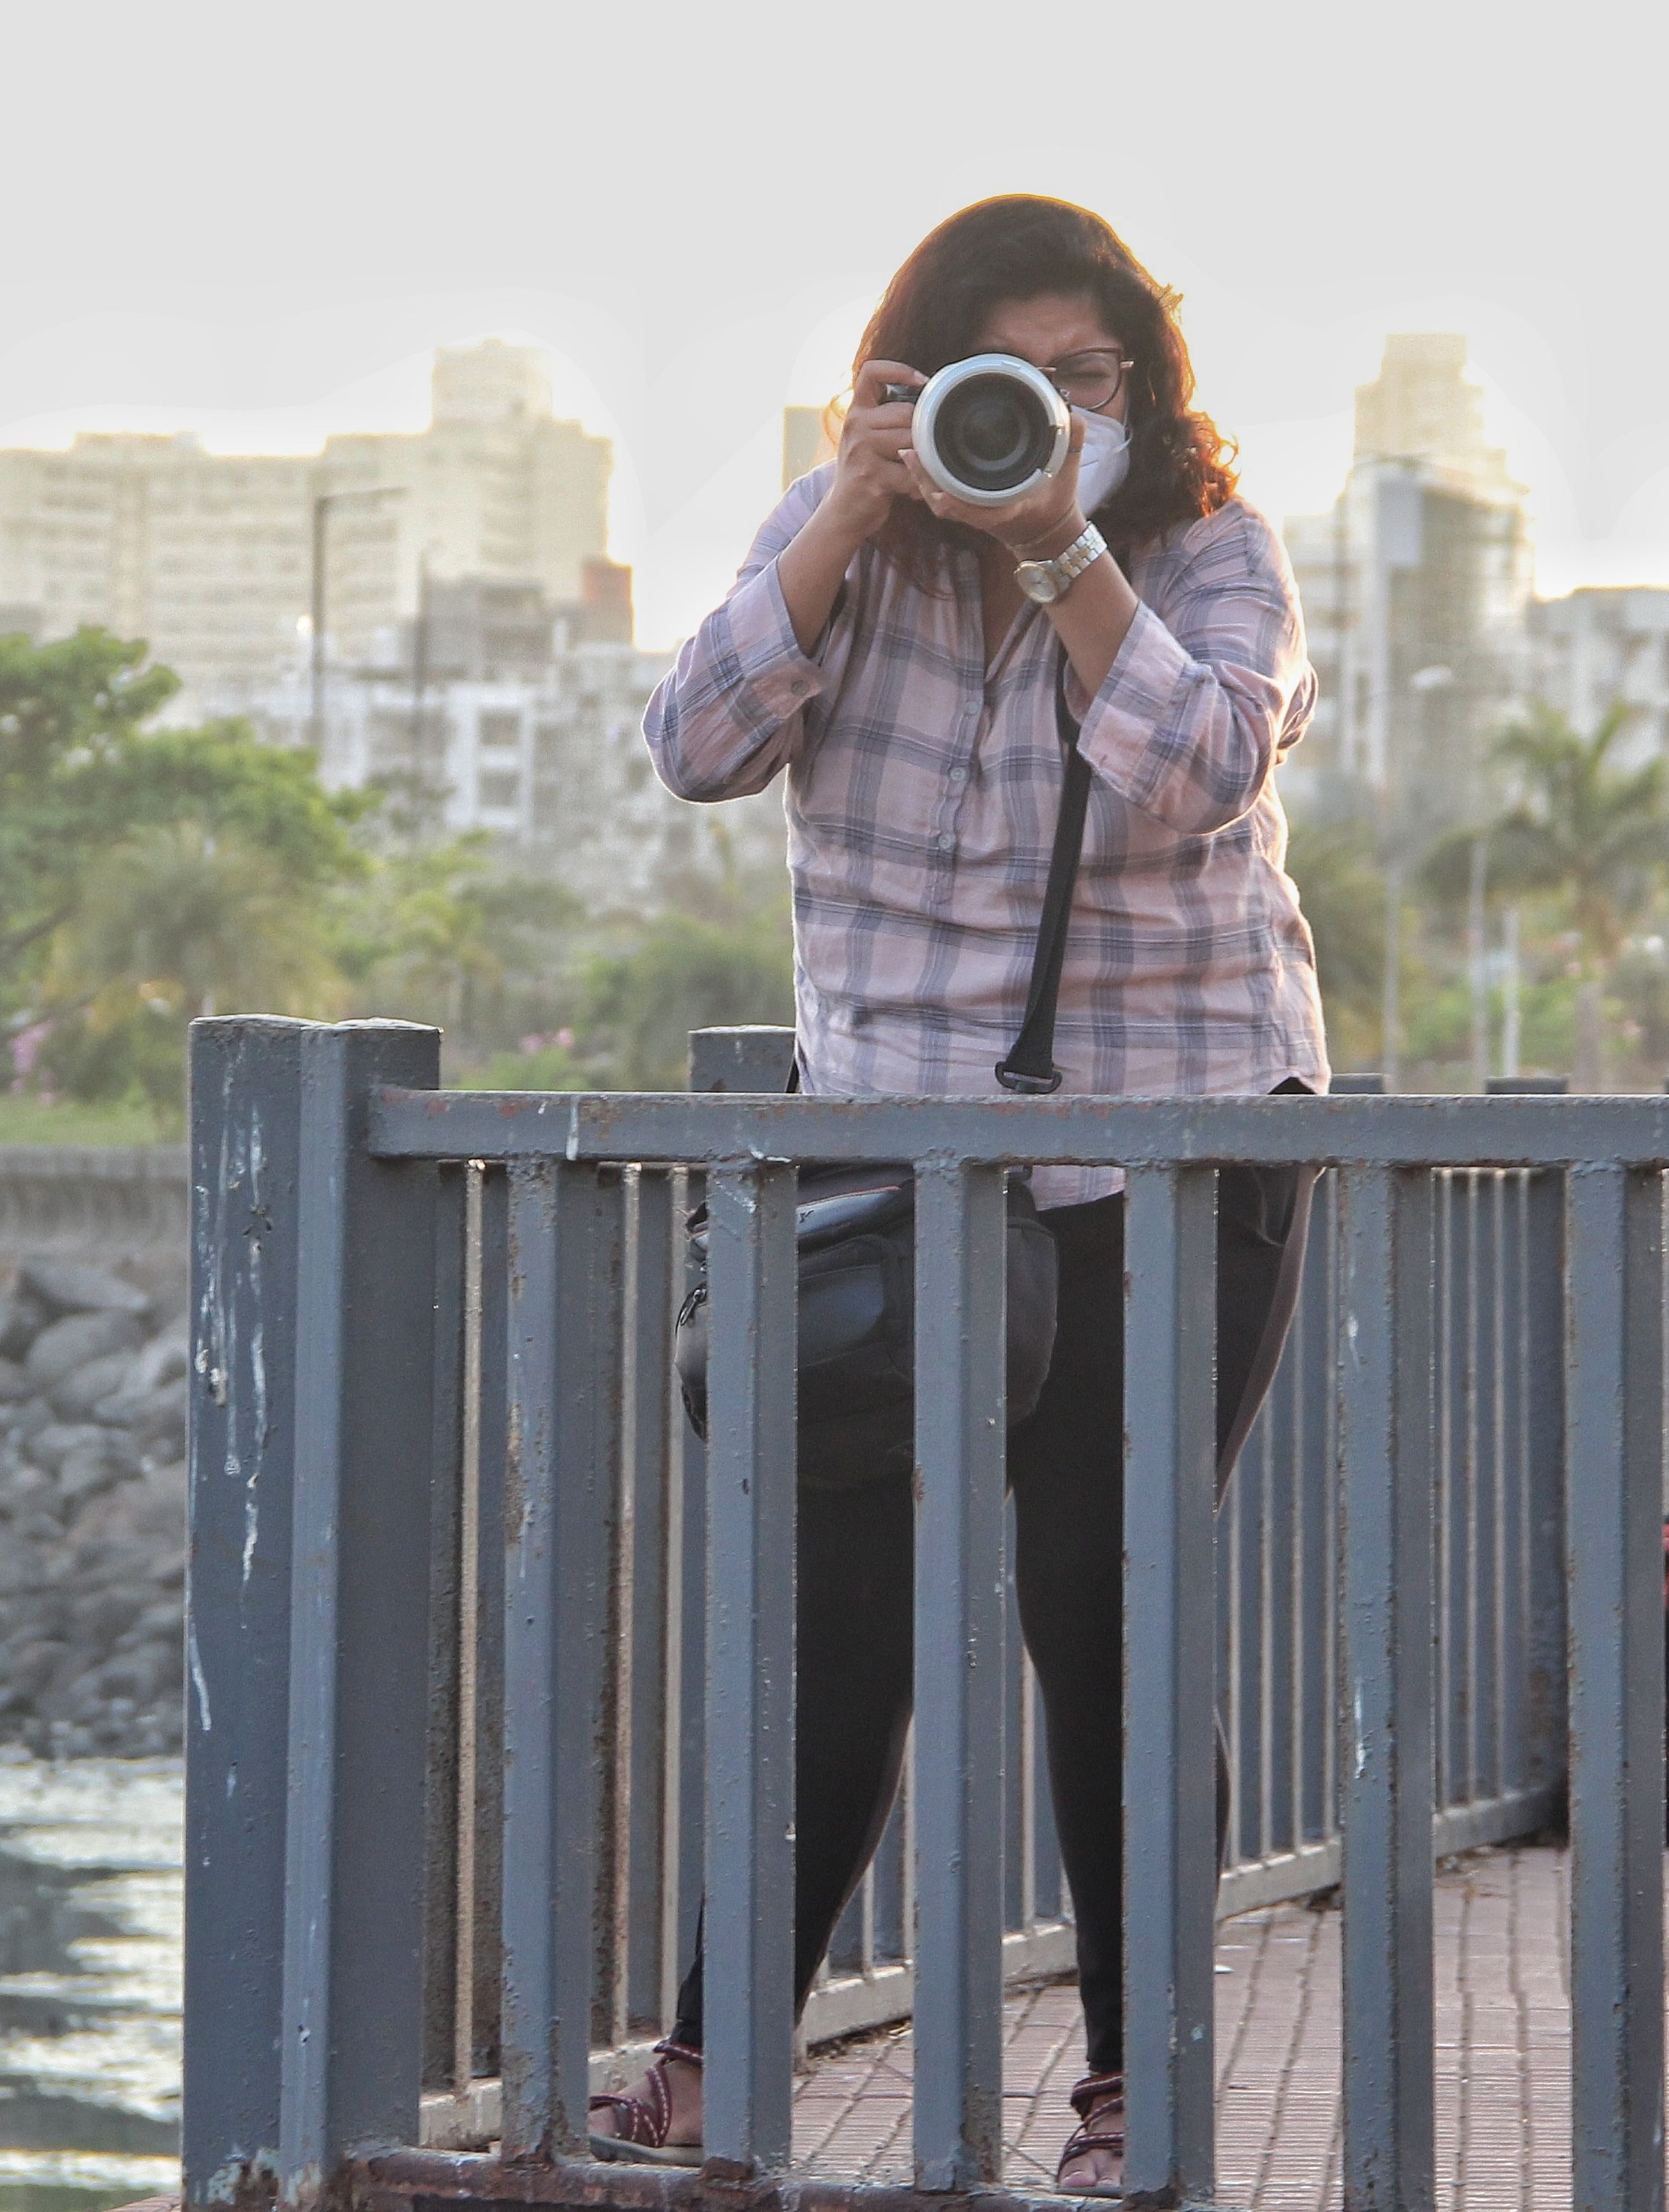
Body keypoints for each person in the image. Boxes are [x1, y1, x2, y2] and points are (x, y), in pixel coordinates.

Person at [599, 195, 1329, 2193]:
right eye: (1001, 379)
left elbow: (1198, 768)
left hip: (1173, 1159)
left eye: (1081, 378)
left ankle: (1127, 2084)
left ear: (1137, 389)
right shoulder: (838, 530)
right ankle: (711, 2041)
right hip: (897, 1157)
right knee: (837, 1616)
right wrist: (846, 510)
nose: (1046, 411)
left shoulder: (1208, 552)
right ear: (907, 383)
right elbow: (691, 746)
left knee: (1111, 1614)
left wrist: (1063, 550)